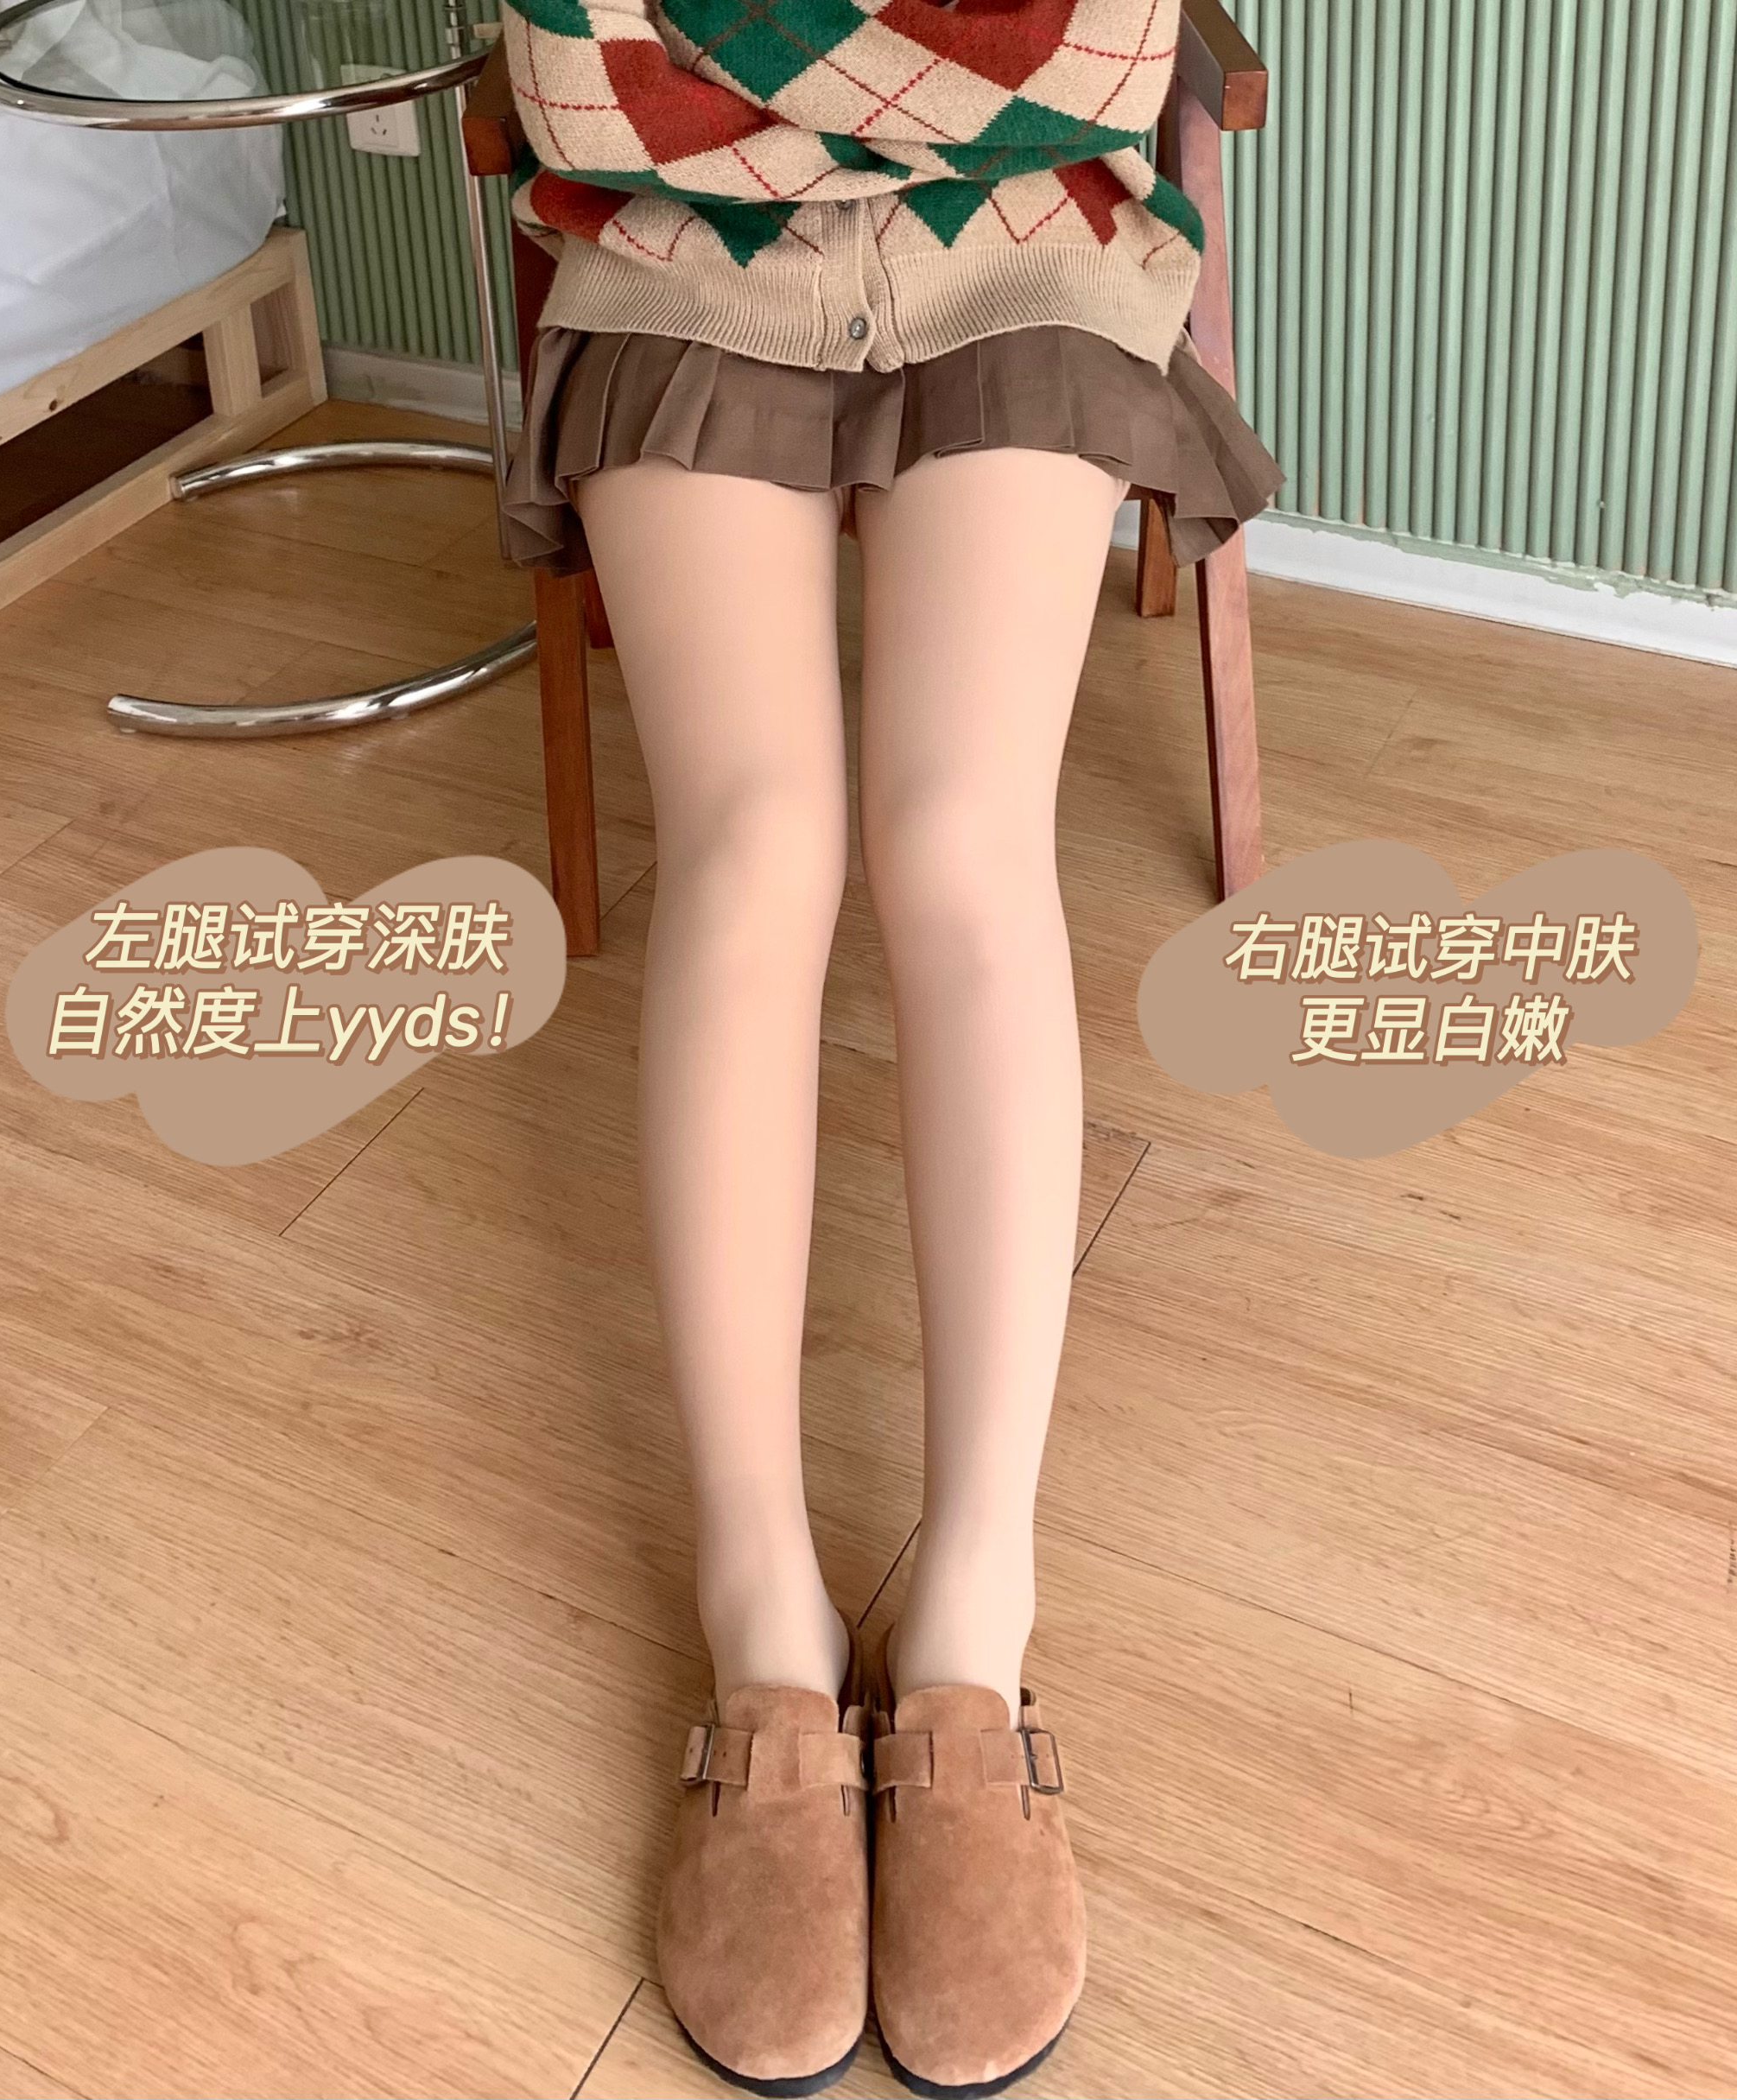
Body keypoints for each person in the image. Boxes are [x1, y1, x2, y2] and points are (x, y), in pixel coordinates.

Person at [491, 0, 1283, 2089]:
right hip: (674, 255)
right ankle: (760, 1620)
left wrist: (755, 75)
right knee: (755, 845)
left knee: (957, 842)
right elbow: (577, 71)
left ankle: (969, 1636)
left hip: (1027, 248)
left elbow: (1097, 57)